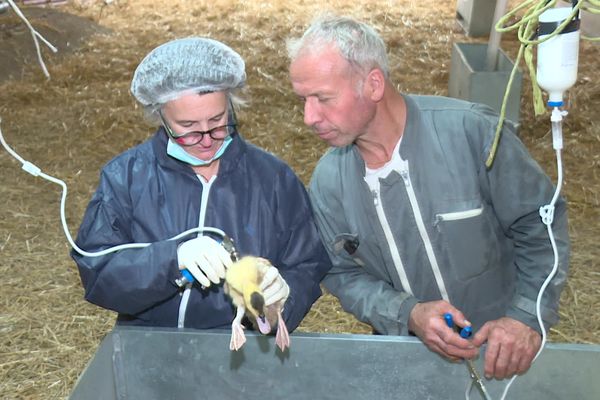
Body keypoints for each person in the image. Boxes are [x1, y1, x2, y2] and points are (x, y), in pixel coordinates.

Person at [287, 15, 569, 380]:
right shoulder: (329, 181)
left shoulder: (472, 135)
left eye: (323, 98)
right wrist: (407, 313)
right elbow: (340, 274)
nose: (309, 117)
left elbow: (539, 224)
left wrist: (527, 316)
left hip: (503, 358)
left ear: (373, 84)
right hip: (408, 364)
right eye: (303, 100)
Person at [71, 37, 330, 335]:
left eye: (218, 121)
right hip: (150, 348)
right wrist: (171, 260)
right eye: (188, 127)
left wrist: (283, 299)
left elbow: (306, 263)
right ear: (161, 117)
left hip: (245, 355)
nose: (207, 139)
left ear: (231, 104)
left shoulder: (273, 180)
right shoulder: (127, 177)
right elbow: (98, 272)